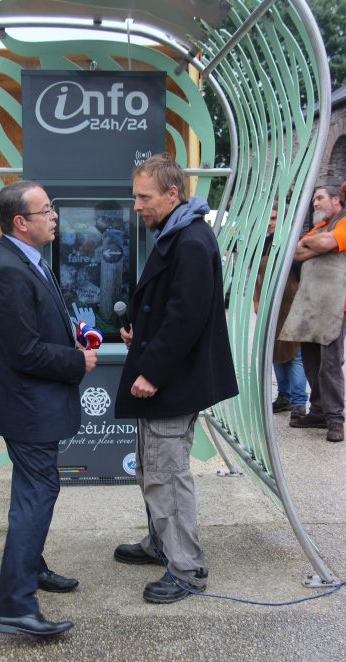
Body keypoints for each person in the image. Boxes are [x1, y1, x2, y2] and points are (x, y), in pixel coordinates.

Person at [114, 153, 238, 604]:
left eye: (144, 198)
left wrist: (151, 370)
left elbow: (187, 318)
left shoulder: (190, 240)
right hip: (167, 377)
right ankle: (161, 544)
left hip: (171, 383)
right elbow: (169, 309)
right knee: (153, 469)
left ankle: (188, 569)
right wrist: (140, 337)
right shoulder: (179, 231)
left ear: (172, 194)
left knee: (167, 474)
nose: (136, 207)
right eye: (135, 197)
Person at [0, 180, 97, 637]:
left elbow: (37, 325)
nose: (55, 216)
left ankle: (31, 569)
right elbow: (23, 351)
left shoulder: (25, 260)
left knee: (33, 492)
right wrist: (76, 360)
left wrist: (73, 332)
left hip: (33, 406)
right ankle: (14, 607)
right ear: (20, 222)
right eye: (46, 210)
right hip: (28, 409)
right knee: (35, 496)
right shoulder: (7, 269)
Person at [288, 184, 346, 442]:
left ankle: (336, 419)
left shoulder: (343, 224)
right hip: (313, 306)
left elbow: (324, 242)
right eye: (313, 199)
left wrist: (314, 243)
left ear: (336, 200)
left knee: (330, 364)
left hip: (336, 306)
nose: (315, 203)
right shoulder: (318, 228)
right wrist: (315, 243)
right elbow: (297, 251)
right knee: (311, 360)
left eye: (320, 198)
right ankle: (319, 410)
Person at [253, 205, 308, 418]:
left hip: (292, 306)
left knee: (295, 355)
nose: (270, 222)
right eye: (269, 218)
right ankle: (284, 397)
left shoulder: (294, 242)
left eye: (274, 218)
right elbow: (256, 277)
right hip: (272, 309)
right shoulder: (267, 243)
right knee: (275, 353)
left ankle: (299, 402)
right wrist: (257, 301)